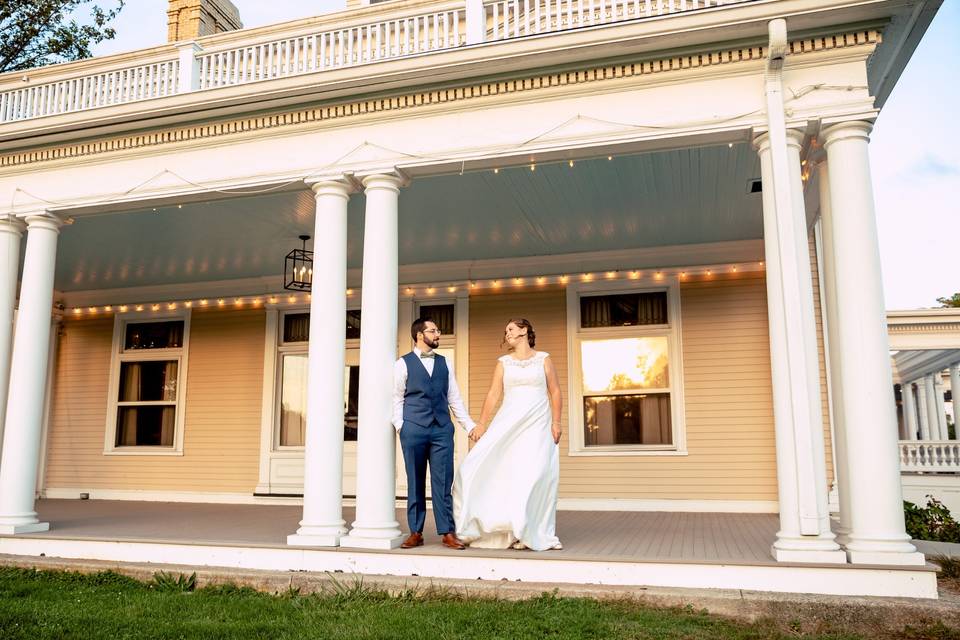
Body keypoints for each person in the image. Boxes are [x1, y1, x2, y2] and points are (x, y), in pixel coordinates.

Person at [453, 318, 563, 551]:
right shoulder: (504, 362)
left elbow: (554, 391)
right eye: (505, 331)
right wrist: (482, 423)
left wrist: (557, 421)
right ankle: (509, 529)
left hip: (538, 423)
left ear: (524, 331)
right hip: (509, 421)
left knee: (533, 474)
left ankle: (528, 529)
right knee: (482, 468)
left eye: (511, 329)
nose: (507, 334)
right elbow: (494, 394)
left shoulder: (544, 359)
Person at [393, 318, 476, 550]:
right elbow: (396, 398)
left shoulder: (445, 363)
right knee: (415, 481)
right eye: (433, 330)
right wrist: (401, 425)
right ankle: (416, 532)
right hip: (413, 429)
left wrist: (468, 426)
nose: (438, 334)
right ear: (420, 335)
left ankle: (447, 532)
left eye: (438, 330)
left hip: (441, 430)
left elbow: (454, 399)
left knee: (443, 482)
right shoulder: (402, 364)